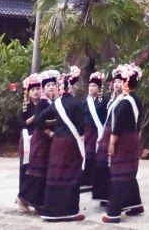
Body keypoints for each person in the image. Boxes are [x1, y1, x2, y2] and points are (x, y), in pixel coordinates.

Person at [34, 66, 85, 222]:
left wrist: (51, 132)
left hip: (57, 143)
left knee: (55, 176)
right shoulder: (77, 103)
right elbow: (81, 126)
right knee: (71, 176)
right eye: (74, 84)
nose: (76, 87)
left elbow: (38, 120)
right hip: (71, 143)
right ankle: (70, 211)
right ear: (71, 87)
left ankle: (51, 211)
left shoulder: (56, 103)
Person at [103, 63, 144, 224]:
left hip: (123, 140)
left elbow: (118, 125)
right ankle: (135, 204)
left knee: (119, 174)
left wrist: (112, 143)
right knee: (128, 173)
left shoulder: (126, 102)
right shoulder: (135, 99)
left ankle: (113, 213)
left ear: (127, 82)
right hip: (132, 138)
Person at [24, 69, 60, 211]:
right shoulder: (43, 103)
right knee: (35, 173)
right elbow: (38, 122)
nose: (51, 87)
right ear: (43, 88)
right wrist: (50, 132)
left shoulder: (56, 101)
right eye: (48, 85)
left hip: (50, 142)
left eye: (53, 84)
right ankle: (23, 198)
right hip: (40, 140)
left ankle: (40, 202)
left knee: (45, 173)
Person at [92, 66, 124, 204]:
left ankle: (113, 196)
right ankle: (104, 195)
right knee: (101, 164)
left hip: (116, 132)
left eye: (119, 82)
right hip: (106, 132)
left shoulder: (124, 99)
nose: (116, 84)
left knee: (112, 165)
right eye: (115, 82)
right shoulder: (112, 99)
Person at [16, 73, 41, 212]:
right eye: (33, 90)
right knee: (25, 169)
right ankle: (22, 198)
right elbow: (21, 123)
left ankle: (36, 201)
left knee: (37, 171)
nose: (36, 92)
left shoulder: (44, 104)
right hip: (27, 139)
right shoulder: (26, 107)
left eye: (38, 89)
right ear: (28, 92)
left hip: (40, 140)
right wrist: (34, 118)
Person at [81, 71, 109, 191]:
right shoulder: (85, 101)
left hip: (99, 131)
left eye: (94, 86)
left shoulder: (104, 101)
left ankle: (96, 180)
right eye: (90, 86)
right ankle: (85, 179)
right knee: (87, 154)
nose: (92, 88)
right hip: (88, 131)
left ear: (99, 88)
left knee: (98, 155)